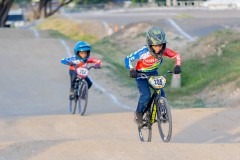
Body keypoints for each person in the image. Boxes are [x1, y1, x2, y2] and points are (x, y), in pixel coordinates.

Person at [124, 26, 182, 127]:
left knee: (161, 92)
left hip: (153, 73)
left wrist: (177, 65)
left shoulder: (164, 51)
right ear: (150, 44)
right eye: (155, 45)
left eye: (160, 45)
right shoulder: (144, 51)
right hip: (140, 75)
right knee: (145, 95)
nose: (158, 48)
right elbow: (127, 59)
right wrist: (132, 70)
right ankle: (139, 114)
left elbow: (176, 55)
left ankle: (162, 112)